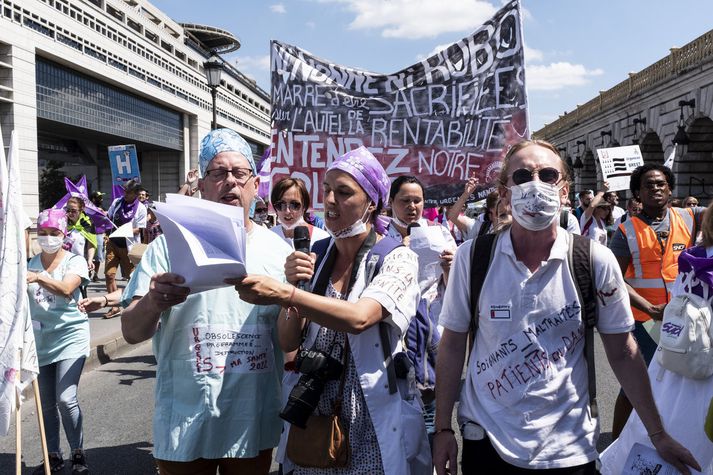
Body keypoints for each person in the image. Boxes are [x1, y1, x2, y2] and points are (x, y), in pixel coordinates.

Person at [433, 140, 699, 475]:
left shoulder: (594, 259)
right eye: (522, 177)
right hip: (487, 442)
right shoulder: (472, 259)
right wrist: (443, 429)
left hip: (570, 448)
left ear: (564, 192)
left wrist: (658, 433)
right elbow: (453, 344)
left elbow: (622, 352)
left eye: (547, 175)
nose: (536, 185)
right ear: (504, 193)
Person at [230, 146, 429, 474]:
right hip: (316, 413)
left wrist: (287, 291)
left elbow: (360, 317)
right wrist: (289, 296)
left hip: (371, 418)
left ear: (372, 203)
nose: (331, 201)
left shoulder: (396, 258)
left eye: (344, 192)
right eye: (326, 191)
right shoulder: (315, 255)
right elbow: (287, 340)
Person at [120, 128, 292, 474]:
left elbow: (290, 344)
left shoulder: (279, 251)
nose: (230, 181)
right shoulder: (167, 247)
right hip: (185, 417)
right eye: (218, 172)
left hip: (250, 421)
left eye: (240, 173)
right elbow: (131, 331)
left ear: (254, 186)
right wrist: (154, 301)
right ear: (201, 185)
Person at [599, 204, 713, 475]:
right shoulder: (629, 229)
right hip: (693, 358)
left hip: (679, 357)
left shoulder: (691, 258)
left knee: (663, 424)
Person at [608, 163, 706, 439]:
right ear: (638, 193)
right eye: (648, 185)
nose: (656, 188)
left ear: (670, 188)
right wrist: (649, 308)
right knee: (634, 385)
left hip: (684, 319)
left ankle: (677, 436)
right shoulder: (626, 231)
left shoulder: (690, 216)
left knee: (684, 380)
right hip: (644, 322)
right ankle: (615, 446)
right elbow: (614, 279)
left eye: (661, 183)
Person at [386, 175, 456, 446]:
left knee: (430, 407)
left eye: (417, 200)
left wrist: (450, 268)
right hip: (394, 334)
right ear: (391, 203)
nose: (412, 206)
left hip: (432, 333)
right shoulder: (379, 237)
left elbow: (453, 292)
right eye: (404, 201)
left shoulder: (438, 234)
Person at [27, 209, 90, 475]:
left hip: (70, 335)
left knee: (65, 399)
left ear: (63, 235)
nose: (47, 238)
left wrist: (39, 277)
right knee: (45, 404)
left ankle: (78, 452)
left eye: (53, 233)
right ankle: (52, 455)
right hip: (40, 340)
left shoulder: (75, 261)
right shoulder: (29, 263)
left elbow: (66, 290)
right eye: (42, 233)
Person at [104, 180, 147, 318]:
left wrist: (124, 231)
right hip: (113, 243)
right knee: (109, 275)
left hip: (129, 246)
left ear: (136, 193)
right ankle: (114, 306)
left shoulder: (141, 208)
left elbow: (139, 229)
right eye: (124, 191)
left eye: (128, 192)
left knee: (131, 277)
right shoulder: (117, 202)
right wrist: (102, 215)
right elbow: (109, 216)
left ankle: (131, 305)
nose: (125, 194)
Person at [270, 177, 329, 248]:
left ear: (304, 206)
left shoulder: (322, 239)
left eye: (294, 205)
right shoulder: (268, 237)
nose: (287, 211)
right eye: (281, 205)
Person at [63, 196, 97, 278]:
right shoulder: (62, 222)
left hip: (81, 262)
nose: (70, 213)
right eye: (68, 210)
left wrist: (90, 260)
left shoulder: (87, 224)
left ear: (81, 209)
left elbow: (91, 243)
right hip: (64, 262)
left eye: (74, 211)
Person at [89, 191, 107, 282]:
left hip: (100, 234)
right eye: (99, 198)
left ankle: (95, 275)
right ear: (93, 199)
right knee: (88, 255)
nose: (102, 199)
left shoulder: (102, 208)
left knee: (98, 257)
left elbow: (106, 220)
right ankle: (87, 273)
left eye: (101, 197)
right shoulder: (88, 209)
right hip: (90, 234)